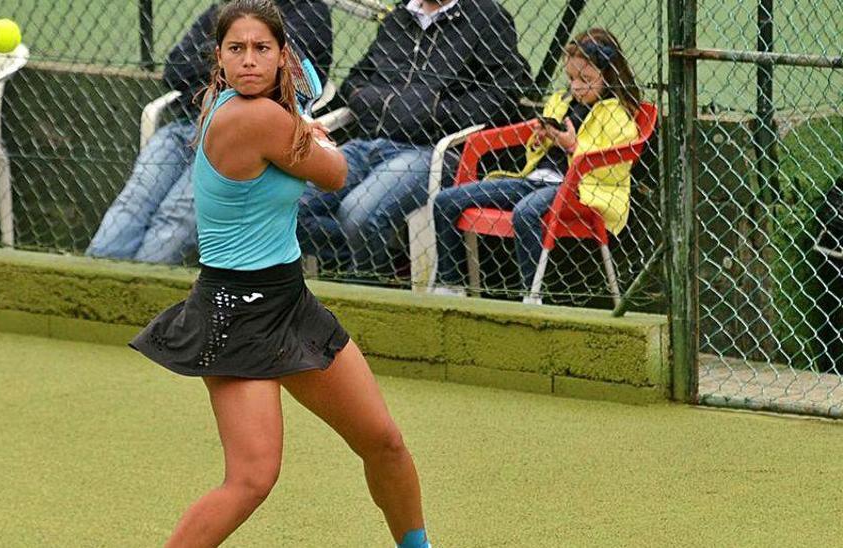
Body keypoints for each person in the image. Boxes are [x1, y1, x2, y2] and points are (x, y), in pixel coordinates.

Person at [128, 2, 431, 547]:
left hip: (289, 301)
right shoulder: (254, 117)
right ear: (218, 61)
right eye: (236, 50)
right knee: (251, 479)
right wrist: (310, 133)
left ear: (281, 56)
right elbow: (335, 173)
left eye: (261, 49)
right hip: (235, 314)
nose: (249, 61)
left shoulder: (261, 112)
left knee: (384, 442)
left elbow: (299, 148)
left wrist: (300, 128)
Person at [87, 0, 332, 265]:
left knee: (176, 214)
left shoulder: (310, 11)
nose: (246, 56)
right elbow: (175, 69)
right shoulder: (226, 7)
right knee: (134, 199)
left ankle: (139, 288)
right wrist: (228, 66)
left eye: (258, 46)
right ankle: (91, 282)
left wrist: (228, 58)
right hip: (186, 124)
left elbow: (273, 78)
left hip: (239, 138)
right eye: (233, 47)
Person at [298, 0, 530, 280]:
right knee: (288, 204)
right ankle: (383, 262)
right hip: (368, 142)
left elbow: (506, 87)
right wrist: (375, 102)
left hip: (429, 151)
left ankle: (369, 286)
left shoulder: (486, 17)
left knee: (358, 214)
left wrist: (438, 113)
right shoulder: (399, 18)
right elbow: (356, 80)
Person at [429, 27, 642, 304]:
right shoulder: (561, 102)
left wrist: (572, 147)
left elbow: (611, 169)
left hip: (578, 191)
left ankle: (532, 297)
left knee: (525, 213)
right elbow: (534, 148)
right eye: (571, 78)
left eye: (586, 79)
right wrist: (541, 138)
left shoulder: (616, 114)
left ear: (609, 76)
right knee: (446, 201)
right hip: (534, 179)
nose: (576, 87)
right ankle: (450, 284)